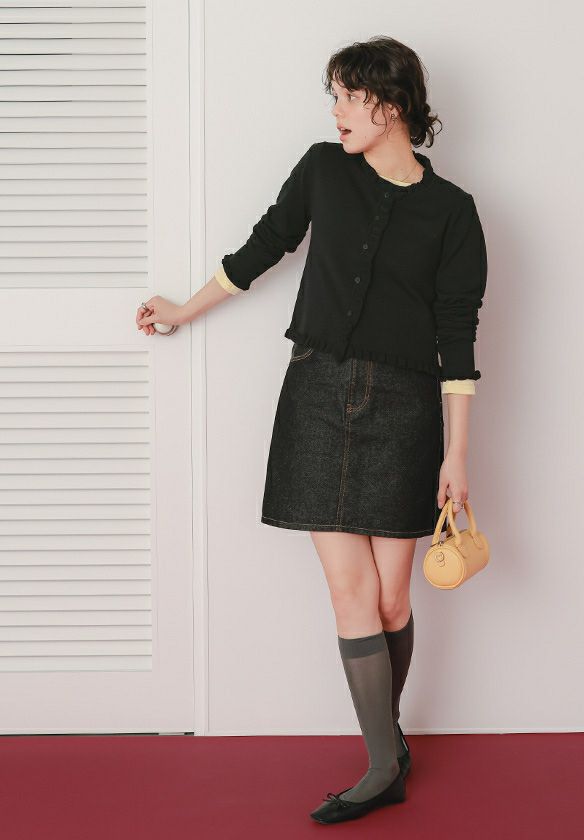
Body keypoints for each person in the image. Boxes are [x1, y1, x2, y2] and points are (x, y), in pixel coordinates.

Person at [136, 35, 488, 825]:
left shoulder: (453, 212)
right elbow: (265, 245)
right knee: (348, 590)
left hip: (405, 408)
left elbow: (458, 335)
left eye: (347, 97)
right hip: (319, 395)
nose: (335, 112)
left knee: (392, 599)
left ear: (389, 105)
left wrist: (458, 453)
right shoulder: (324, 170)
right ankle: (383, 764)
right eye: (334, 97)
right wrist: (182, 310)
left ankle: (386, 744)